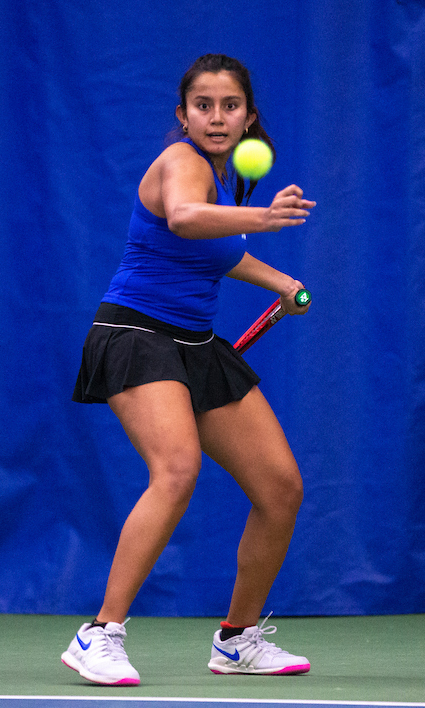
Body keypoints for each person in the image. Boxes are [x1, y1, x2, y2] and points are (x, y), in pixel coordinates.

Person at [60, 54, 316, 686]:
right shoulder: (183, 163)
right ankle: (99, 635)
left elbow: (214, 250)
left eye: (231, 106)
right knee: (175, 470)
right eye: (203, 106)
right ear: (183, 116)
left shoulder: (223, 184)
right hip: (136, 334)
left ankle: (238, 638)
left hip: (194, 344)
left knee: (280, 488)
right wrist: (262, 218)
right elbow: (182, 219)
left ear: (249, 117)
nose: (217, 118)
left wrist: (281, 281)